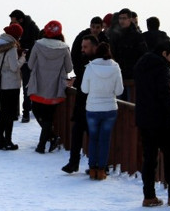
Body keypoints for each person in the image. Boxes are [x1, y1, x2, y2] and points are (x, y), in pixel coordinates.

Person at [133, 40, 170, 207]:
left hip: (144, 118)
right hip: (160, 120)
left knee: (149, 158)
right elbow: (164, 94)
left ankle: (149, 196)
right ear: (164, 53)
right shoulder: (161, 67)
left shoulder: (141, 64)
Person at [26, 20, 73, 154]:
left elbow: (30, 65)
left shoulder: (38, 45)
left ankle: (47, 141)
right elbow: (69, 68)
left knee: (37, 111)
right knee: (48, 116)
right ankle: (46, 142)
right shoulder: (64, 48)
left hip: (38, 85)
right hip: (55, 86)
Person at [80, 41, 124, 180]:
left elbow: (84, 89)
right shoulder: (115, 67)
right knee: (105, 139)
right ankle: (101, 170)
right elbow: (119, 90)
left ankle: (92, 169)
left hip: (93, 108)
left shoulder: (90, 67)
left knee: (93, 139)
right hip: (110, 108)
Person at [62, 31, 101, 173]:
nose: (82, 50)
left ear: (94, 47)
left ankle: (96, 165)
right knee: (77, 133)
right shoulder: (84, 60)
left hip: (93, 104)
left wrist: (76, 81)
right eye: (82, 47)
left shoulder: (98, 63)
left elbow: (90, 81)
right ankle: (74, 163)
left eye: (85, 47)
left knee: (92, 136)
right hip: (82, 103)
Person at [0, 23, 25, 150]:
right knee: (10, 114)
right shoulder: (11, 48)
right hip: (12, 83)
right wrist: (23, 58)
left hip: (3, 83)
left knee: (3, 113)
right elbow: (14, 67)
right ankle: (8, 140)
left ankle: (0, 140)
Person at [9, 9, 41, 122]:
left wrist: (26, 51)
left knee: (26, 88)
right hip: (15, 61)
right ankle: (14, 112)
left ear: (21, 20)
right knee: (13, 87)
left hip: (28, 62)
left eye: (14, 22)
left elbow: (38, 43)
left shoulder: (32, 27)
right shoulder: (13, 27)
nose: (12, 24)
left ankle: (26, 112)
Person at [109, 8, 148, 100]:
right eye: (120, 18)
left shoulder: (137, 36)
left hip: (132, 76)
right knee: (119, 102)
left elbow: (143, 54)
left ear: (130, 19)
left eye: (124, 18)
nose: (122, 21)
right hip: (119, 74)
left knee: (131, 101)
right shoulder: (115, 36)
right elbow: (112, 53)